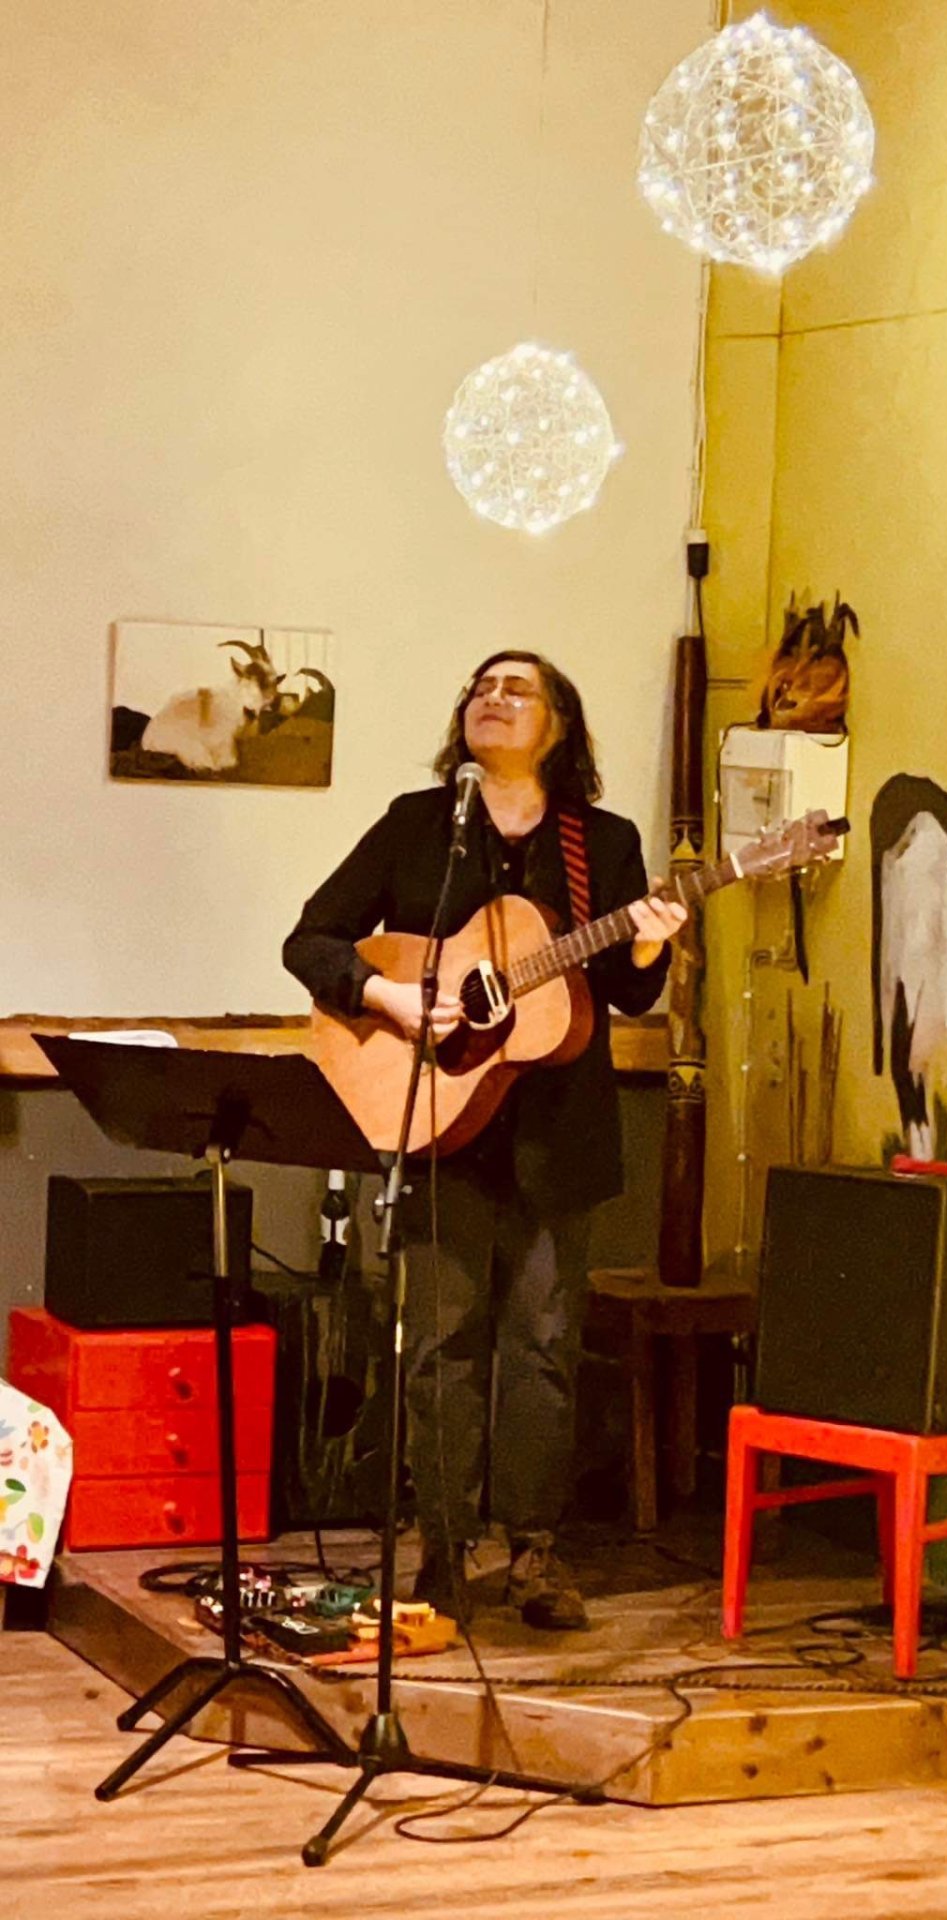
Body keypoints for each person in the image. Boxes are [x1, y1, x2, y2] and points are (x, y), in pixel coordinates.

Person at [282, 652, 685, 1630]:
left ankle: (534, 1552)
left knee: (542, 1348)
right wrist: (386, 995)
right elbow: (312, 940)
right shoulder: (418, 825)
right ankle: (444, 1549)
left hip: (558, 1136)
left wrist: (648, 939)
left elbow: (629, 992)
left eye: (516, 690)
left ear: (559, 726)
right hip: (436, 1126)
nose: (491, 700)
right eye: (480, 687)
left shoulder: (602, 842)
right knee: (438, 1347)